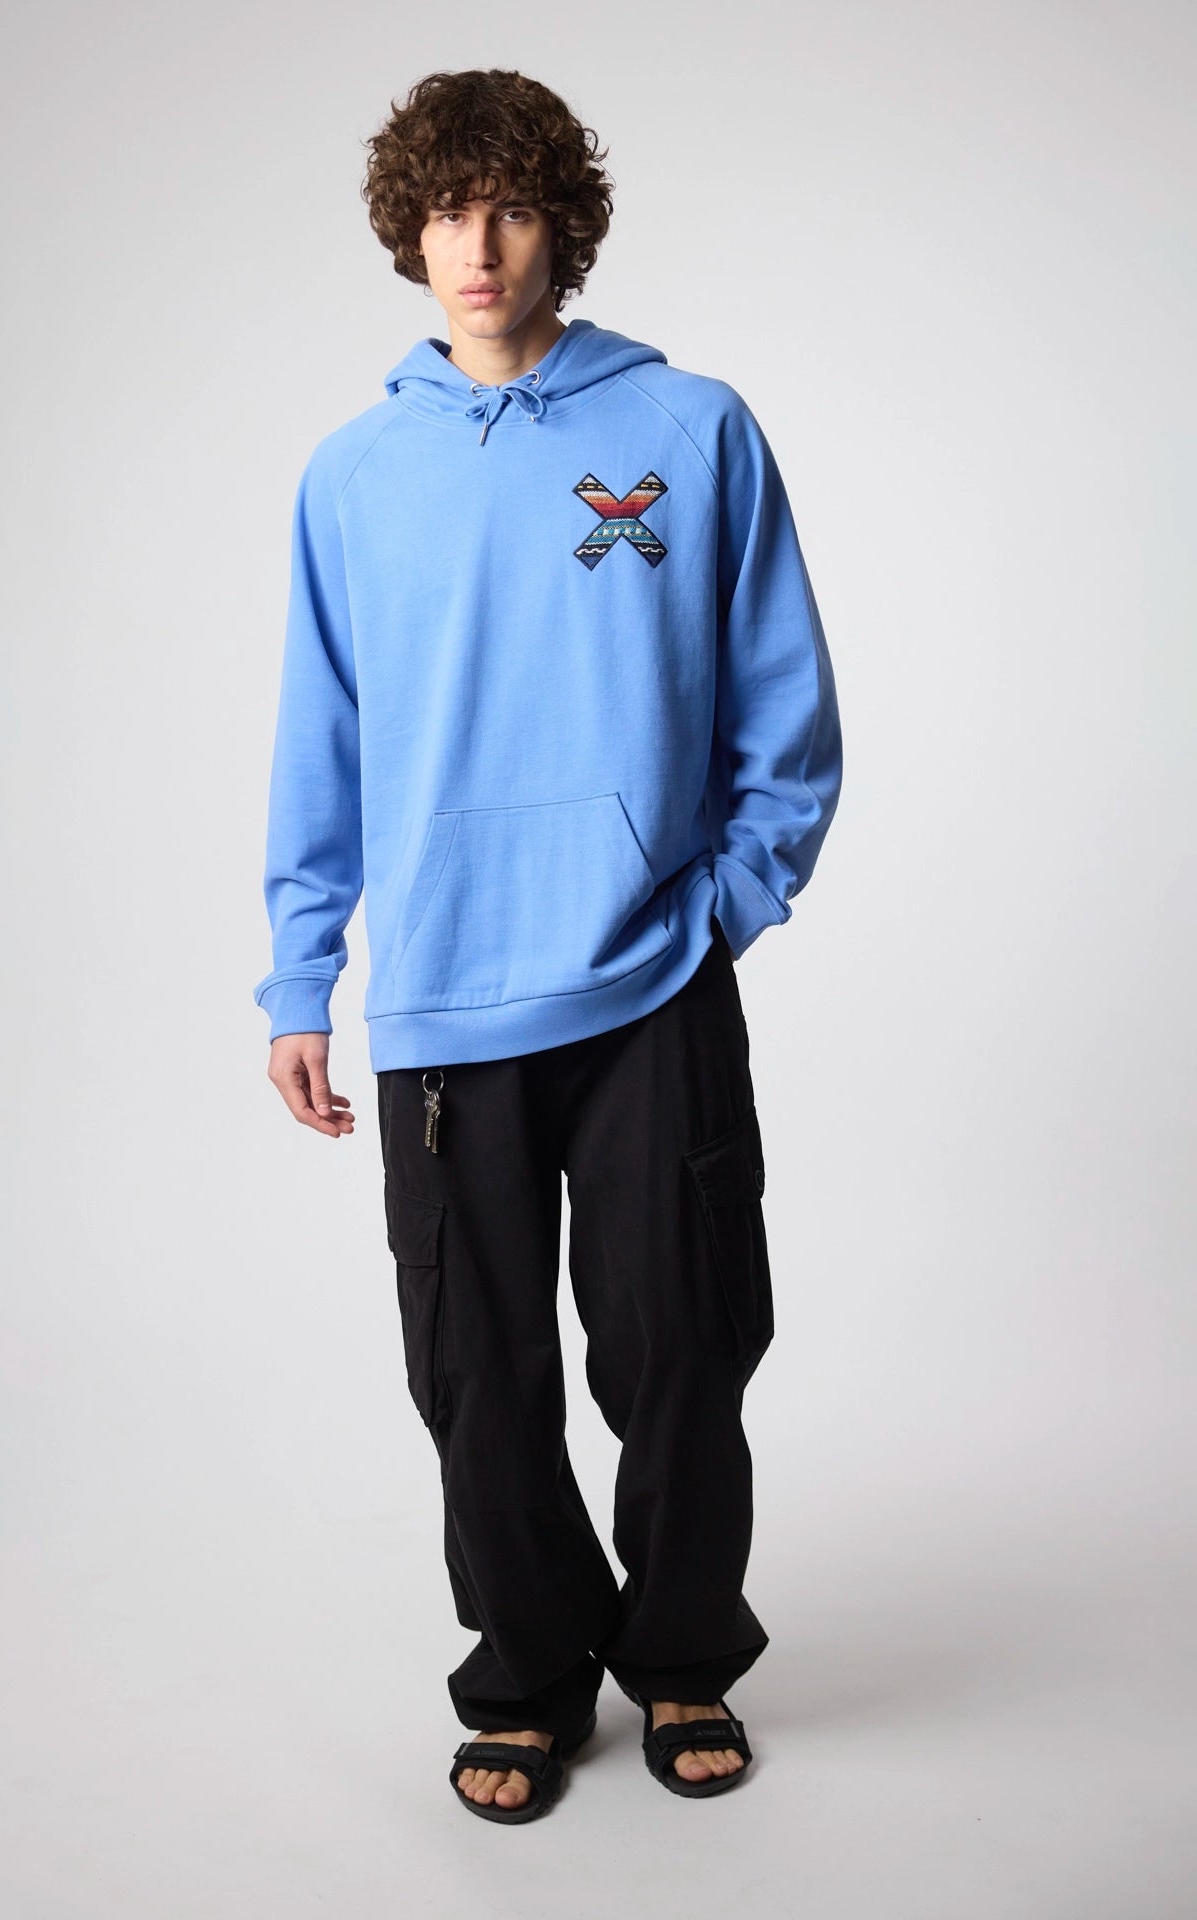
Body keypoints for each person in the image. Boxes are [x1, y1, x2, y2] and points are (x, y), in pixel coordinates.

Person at [253, 66, 843, 1824]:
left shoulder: (691, 429)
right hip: (446, 1001)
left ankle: (682, 1657)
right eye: (448, 210)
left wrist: (716, 904)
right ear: (409, 231)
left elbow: (787, 716)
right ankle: (524, 1675)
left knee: (684, 1348)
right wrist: (302, 976)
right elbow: (321, 742)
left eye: (510, 206)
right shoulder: (355, 476)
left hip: (653, 983)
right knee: (475, 1376)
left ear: (560, 226)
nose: (479, 245)